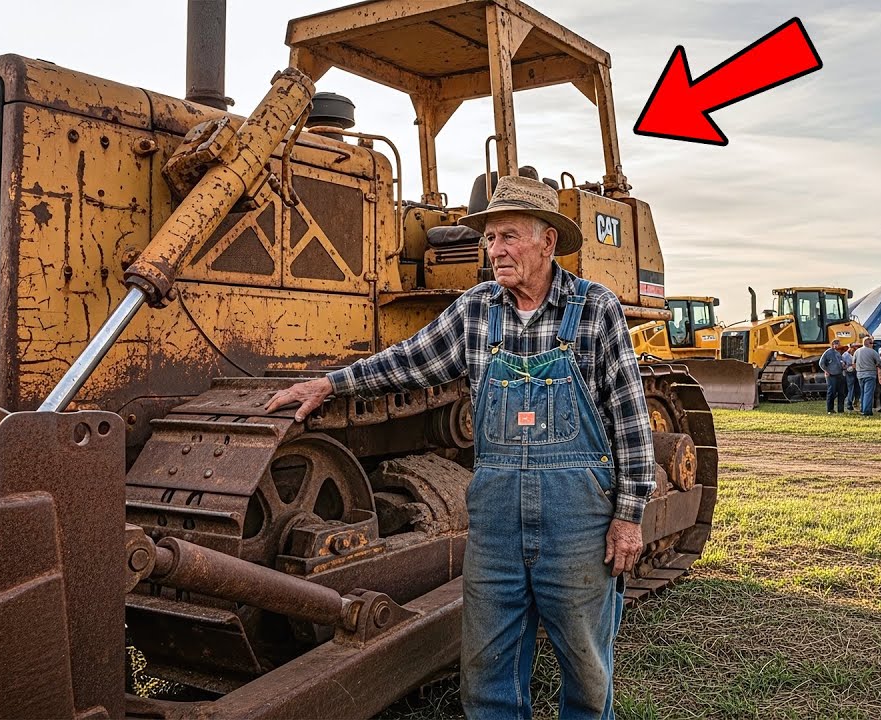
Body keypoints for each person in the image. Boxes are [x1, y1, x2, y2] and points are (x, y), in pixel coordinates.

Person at [264, 176, 650, 718]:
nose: (495, 250)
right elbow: (406, 361)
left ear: (547, 241)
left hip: (577, 520)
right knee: (488, 672)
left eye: (509, 236)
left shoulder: (594, 308)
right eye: (489, 238)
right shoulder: (476, 310)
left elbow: (630, 416)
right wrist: (331, 384)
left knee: (586, 670)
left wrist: (629, 516)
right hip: (496, 523)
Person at [854, 336, 880, 417]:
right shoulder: (873, 352)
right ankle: (867, 410)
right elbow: (879, 362)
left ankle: (862, 408)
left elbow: (853, 362)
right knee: (868, 393)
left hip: (860, 375)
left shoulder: (857, 351)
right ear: (869, 343)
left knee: (863, 392)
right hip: (870, 374)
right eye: (872, 343)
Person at [820, 339, 846, 414]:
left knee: (841, 393)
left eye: (838, 344)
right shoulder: (828, 352)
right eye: (835, 343)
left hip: (839, 374)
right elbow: (821, 363)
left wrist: (843, 365)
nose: (836, 345)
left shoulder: (838, 353)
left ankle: (841, 409)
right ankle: (830, 409)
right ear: (832, 344)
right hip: (831, 375)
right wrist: (826, 370)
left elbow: (841, 361)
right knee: (831, 392)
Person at [843, 343, 859, 411]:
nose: (854, 350)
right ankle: (849, 404)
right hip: (849, 373)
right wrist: (849, 367)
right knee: (851, 389)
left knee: (857, 389)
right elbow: (843, 365)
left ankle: (856, 403)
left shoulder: (857, 354)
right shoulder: (845, 355)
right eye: (854, 348)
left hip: (857, 372)